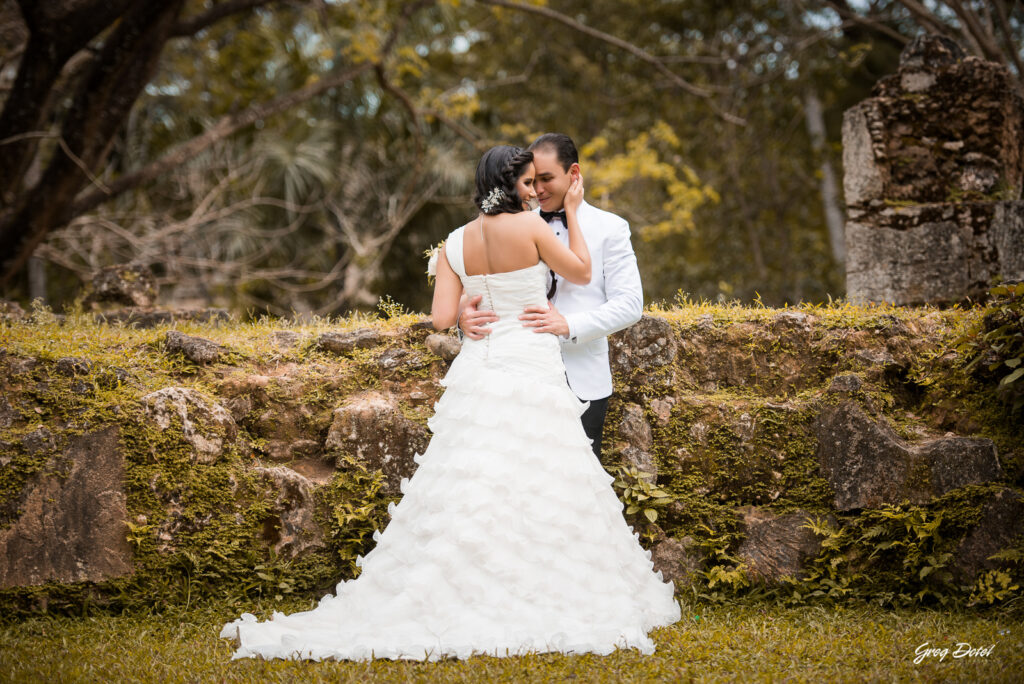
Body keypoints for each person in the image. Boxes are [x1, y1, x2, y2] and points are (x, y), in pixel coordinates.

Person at [219, 145, 679, 661]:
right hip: (529, 360)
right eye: (528, 183)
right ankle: (535, 583)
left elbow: (441, 319)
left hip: (481, 364)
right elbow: (578, 273)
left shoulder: (454, 241)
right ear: (510, 185)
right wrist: (570, 215)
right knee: (543, 474)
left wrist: (467, 309)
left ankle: (465, 578)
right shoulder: (529, 226)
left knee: (473, 475)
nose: (534, 191)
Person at [459, 133, 643, 464]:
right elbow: (482, 284)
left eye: (546, 179)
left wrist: (568, 324)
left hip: (582, 379)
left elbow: (630, 304)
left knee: (576, 486)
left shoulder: (610, 228)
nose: (537, 190)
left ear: (574, 174)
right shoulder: (513, 224)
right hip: (517, 378)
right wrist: (464, 314)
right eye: (531, 180)